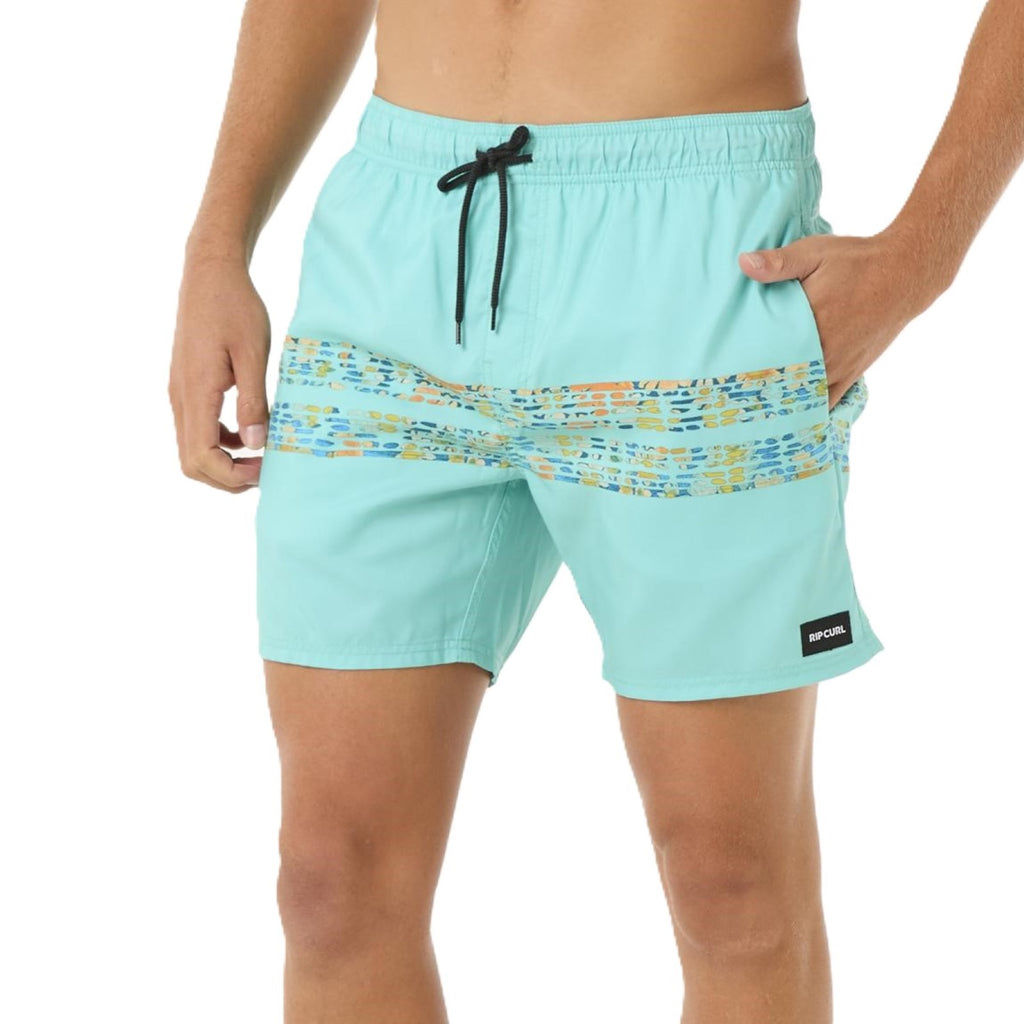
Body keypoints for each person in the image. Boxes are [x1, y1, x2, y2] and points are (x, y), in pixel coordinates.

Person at [167, 1, 1023, 1020]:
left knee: (731, 887)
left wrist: (925, 255)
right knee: (329, 881)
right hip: (397, 252)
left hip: (696, 257)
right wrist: (217, 244)